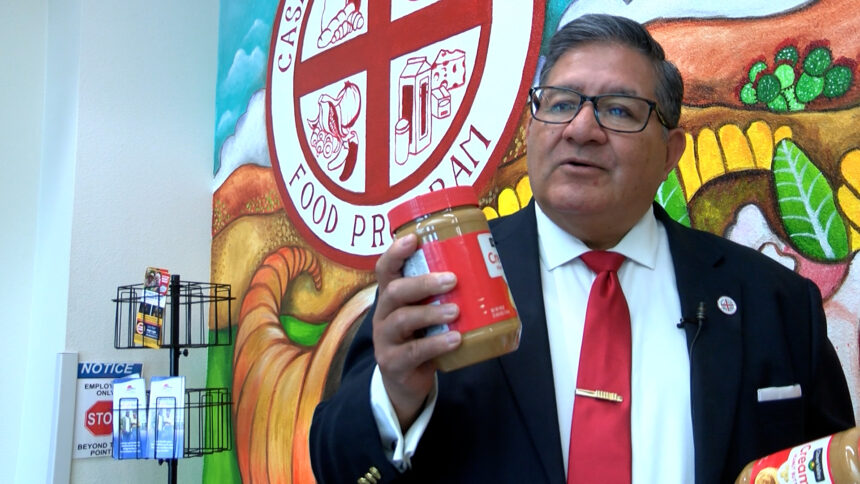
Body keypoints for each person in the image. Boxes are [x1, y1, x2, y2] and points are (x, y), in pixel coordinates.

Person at [309, 13, 855, 484]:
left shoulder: (774, 300)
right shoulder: (441, 280)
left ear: (670, 153)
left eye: (619, 110)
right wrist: (395, 396)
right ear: (532, 127)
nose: (581, 129)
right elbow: (336, 465)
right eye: (561, 103)